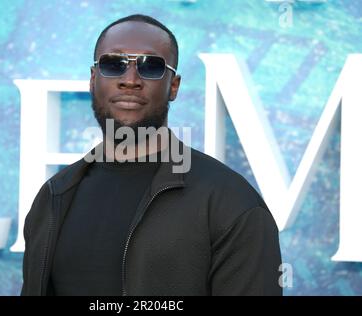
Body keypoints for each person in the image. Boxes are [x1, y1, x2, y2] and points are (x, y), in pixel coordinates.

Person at [21, 14, 282, 296]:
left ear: (174, 86)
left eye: (151, 67)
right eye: (114, 64)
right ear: (93, 78)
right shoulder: (53, 196)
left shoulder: (231, 203)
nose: (130, 80)